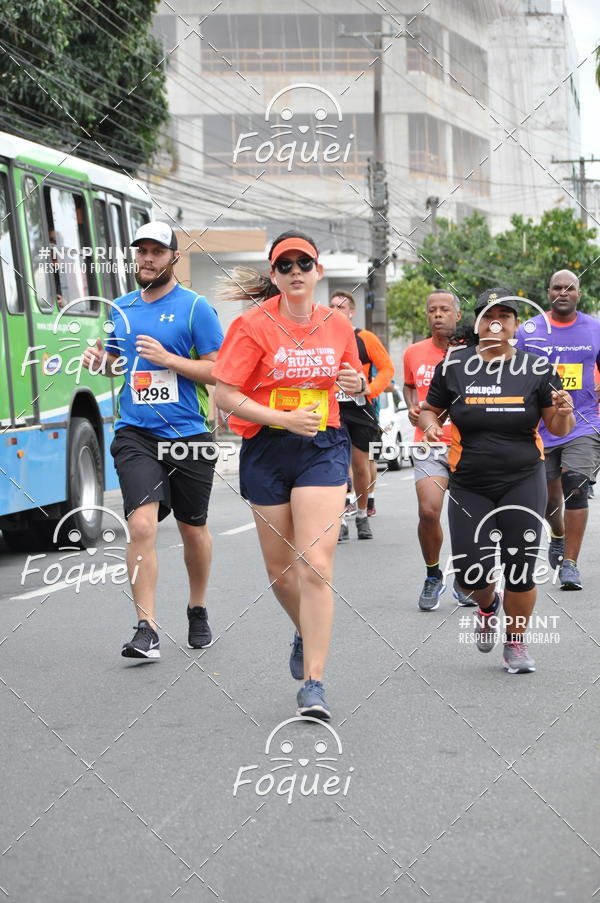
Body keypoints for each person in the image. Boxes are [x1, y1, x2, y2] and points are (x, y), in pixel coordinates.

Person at [212, 232, 365, 720]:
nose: (296, 271)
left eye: (305, 263)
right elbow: (224, 394)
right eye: (286, 265)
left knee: (315, 564)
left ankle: (314, 682)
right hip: (268, 448)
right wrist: (280, 418)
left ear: (318, 271)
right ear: (275, 275)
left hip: (322, 446)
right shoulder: (251, 325)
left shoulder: (337, 324)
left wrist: (355, 382)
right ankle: (304, 627)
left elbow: (353, 379)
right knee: (281, 574)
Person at [82, 221, 224, 658]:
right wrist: (99, 362)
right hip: (136, 431)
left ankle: (197, 608)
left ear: (173, 259)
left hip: (188, 433)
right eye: (141, 251)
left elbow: (220, 370)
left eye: (156, 251)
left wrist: (171, 360)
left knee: (192, 528)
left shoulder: (196, 307)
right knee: (141, 524)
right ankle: (146, 628)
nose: (146, 258)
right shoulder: (120, 308)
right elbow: (115, 364)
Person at [420, 287, 574, 674]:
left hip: (523, 476)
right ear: (476, 323)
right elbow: (430, 411)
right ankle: (488, 607)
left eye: (505, 316)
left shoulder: (536, 368)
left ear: (515, 325)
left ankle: (516, 643)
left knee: (520, 566)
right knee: (472, 572)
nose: (496, 322)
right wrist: (430, 427)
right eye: (489, 315)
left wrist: (564, 411)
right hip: (469, 481)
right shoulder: (454, 365)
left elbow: (558, 425)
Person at [515, 270, 600, 590]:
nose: (563, 292)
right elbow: (515, 373)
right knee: (550, 497)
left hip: (585, 422)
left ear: (579, 293)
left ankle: (571, 564)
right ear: (548, 292)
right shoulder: (530, 330)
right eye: (557, 288)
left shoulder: (595, 329)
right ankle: (559, 535)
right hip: (540, 426)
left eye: (570, 288)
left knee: (575, 483)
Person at [403, 290, 473, 610]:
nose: (438, 315)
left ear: (458, 316)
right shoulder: (413, 353)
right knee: (428, 511)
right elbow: (408, 386)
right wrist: (411, 408)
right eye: (432, 310)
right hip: (428, 444)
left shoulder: (474, 353)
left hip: (468, 445)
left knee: (467, 518)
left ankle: (464, 577)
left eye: (445, 310)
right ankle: (433, 575)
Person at [329, 291, 395, 541]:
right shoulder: (323, 337)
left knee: (360, 466)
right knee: (338, 466)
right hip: (334, 409)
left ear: (351, 312)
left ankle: (361, 515)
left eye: (341, 307)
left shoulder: (365, 338)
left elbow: (388, 367)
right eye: (332, 306)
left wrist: (371, 388)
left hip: (360, 408)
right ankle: (341, 519)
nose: (336, 310)